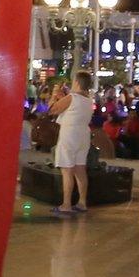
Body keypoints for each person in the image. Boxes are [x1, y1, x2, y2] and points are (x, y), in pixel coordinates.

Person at [48, 71, 94, 214]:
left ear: (77, 82)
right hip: (83, 135)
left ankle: (66, 204)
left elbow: (52, 110)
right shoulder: (88, 100)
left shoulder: (72, 97)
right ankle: (82, 202)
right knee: (80, 169)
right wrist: (63, 97)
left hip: (69, 135)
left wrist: (54, 94)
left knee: (67, 170)